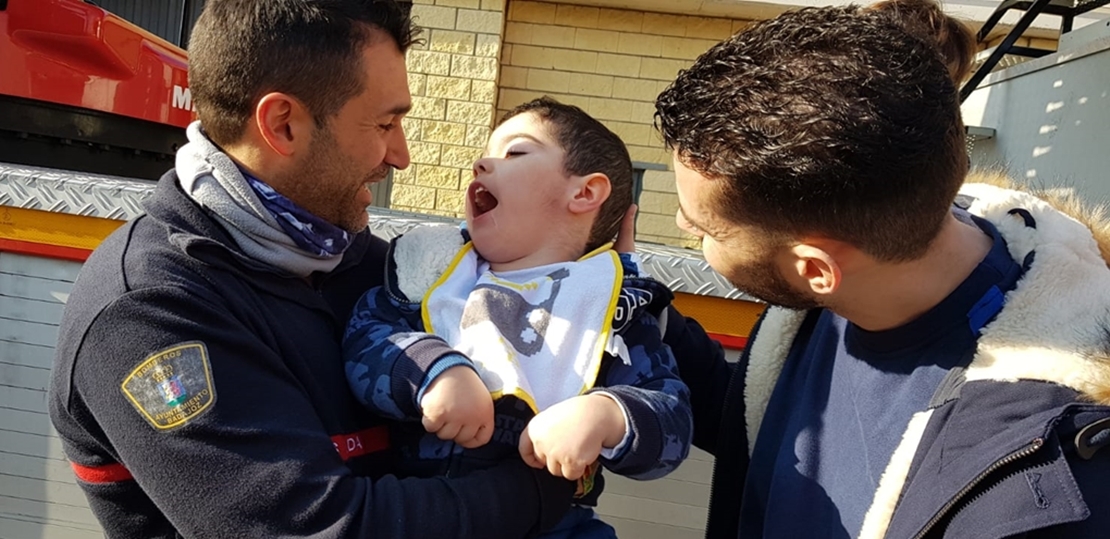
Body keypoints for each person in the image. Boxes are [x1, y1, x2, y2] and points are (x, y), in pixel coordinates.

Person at [47, 1, 577, 537]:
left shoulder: (353, 260)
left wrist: (603, 273)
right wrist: (551, 481)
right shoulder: (148, 310)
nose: (401, 155)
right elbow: (323, 527)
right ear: (283, 124)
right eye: (385, 122)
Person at [651, 0, 1110, 537]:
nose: (686, 227)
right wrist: (630, 302)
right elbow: (761, 433)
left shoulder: (1044, 488)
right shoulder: (828, 301)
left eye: (705, 230)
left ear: (816, 270)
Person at [343, 97, 693, 538]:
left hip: (553, 525)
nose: (482, 163)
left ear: (584, 193)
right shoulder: (432, 275)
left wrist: (605, 416)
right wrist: (432, 370)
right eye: (489, 151)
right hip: (417, 512)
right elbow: (367, 336)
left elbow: (672, 418)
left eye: (515, 152)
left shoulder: (609, 309)